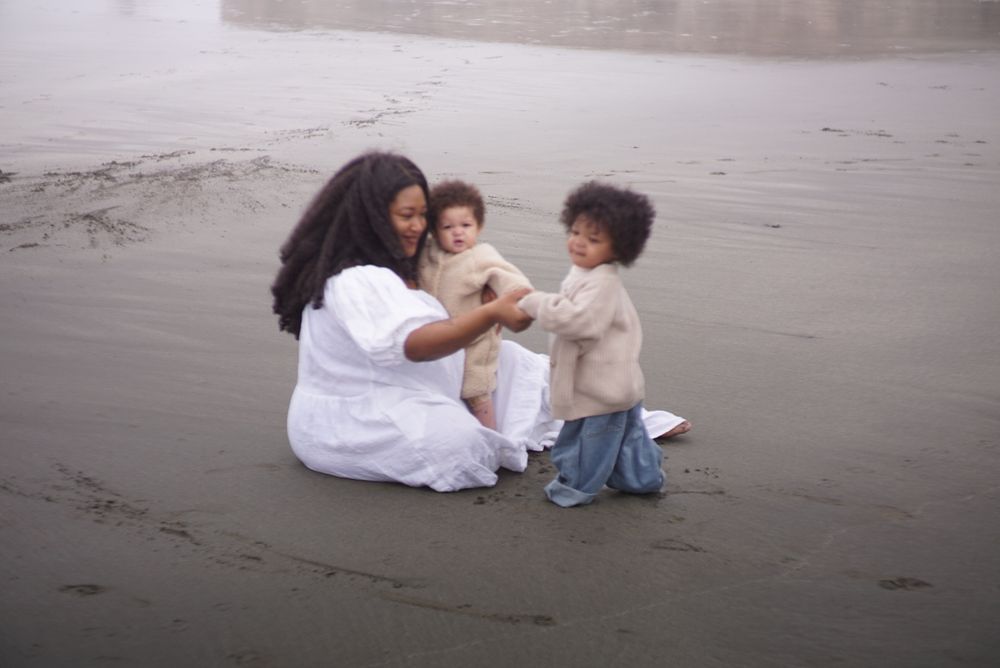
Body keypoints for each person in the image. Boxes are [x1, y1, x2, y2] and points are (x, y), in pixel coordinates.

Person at [271, 151, 550, 492]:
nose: (418, 227)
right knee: (459, 446)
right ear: (371, 217)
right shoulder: (355, 280)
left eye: (423, 215)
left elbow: (464, 277)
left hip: (435, 386)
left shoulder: (410, 262)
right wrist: (488, 314)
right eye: (406, 216)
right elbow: (415, 344)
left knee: (531, 369)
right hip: (360, 416)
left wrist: (489, 293)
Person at [518, 181, 692, 507]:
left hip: (600, 388)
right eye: (575, 232)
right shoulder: (585, 274)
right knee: (629, 438)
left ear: (620, 248)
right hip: (618, 385)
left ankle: (574, 488)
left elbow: (581, 323)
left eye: (594, 239)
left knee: (586, 442)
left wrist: (536, 303)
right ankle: (643, 479)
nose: (580, 243)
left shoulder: (602, 283)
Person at [417, 179, 532, 430]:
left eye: (466, 225)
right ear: (435, 231)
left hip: (474, 345)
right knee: (441, 390)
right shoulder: (427, 253)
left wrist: (516, 299)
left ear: (478, 227)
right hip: (437, 340)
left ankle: (491, 438)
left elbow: (510, 280)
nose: (458, 232)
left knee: (477, 393)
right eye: (448, 226)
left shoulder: (481, 256)